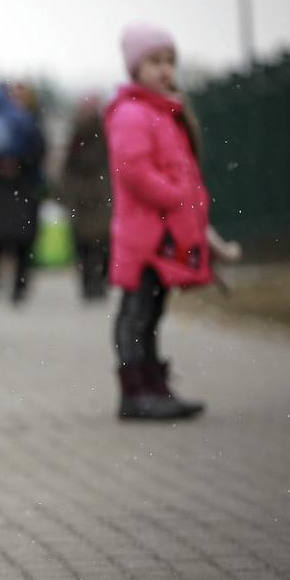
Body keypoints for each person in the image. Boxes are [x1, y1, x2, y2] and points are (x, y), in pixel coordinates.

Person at [105, 22, 208, 421]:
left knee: (152, 312)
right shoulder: (132, 113)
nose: (165, 70)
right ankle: (135, 391)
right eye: (155, 62)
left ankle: (154, 385)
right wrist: (177, 194)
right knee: (136, 313)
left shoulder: (165, 113)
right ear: (135, 68)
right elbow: (134, 171)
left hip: (164, 235)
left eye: (170, 61)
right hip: (143, 237)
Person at [0, 81, 46, 305]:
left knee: (16, 240)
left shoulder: (12, 121)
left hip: (16, 186)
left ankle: (13, 284)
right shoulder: (23, 122)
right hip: (11, 186)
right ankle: (3, 283)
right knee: (0, 239)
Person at [60, 95, 112, 301]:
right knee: (85, 244)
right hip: (84, 196)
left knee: (100, 243)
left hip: (99, 195)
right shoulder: (78, 135)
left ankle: (97, 282)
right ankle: (89, 283)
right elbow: (69, 167)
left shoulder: (104, 132)